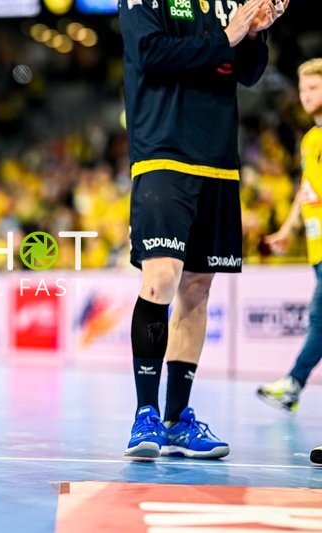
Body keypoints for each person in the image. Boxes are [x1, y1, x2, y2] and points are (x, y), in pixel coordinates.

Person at [119, 0, 286, 459]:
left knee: (197, 289)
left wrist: (254, 33)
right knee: (160, 279)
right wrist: (227, 36)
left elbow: (248, 73)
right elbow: (150, 53)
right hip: (162, 154)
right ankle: (145, 415)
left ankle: (177, 419)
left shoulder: (229, 2)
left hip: (218, 161)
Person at [255, 58, 322, 462]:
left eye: (315, 88)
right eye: (304, 89)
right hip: (317, 248)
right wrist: (288, 228)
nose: (307, 95)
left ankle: (293, 383)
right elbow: (306, 189)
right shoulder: (310, 140)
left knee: (320, 320)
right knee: (319, 320)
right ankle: (293, 385)